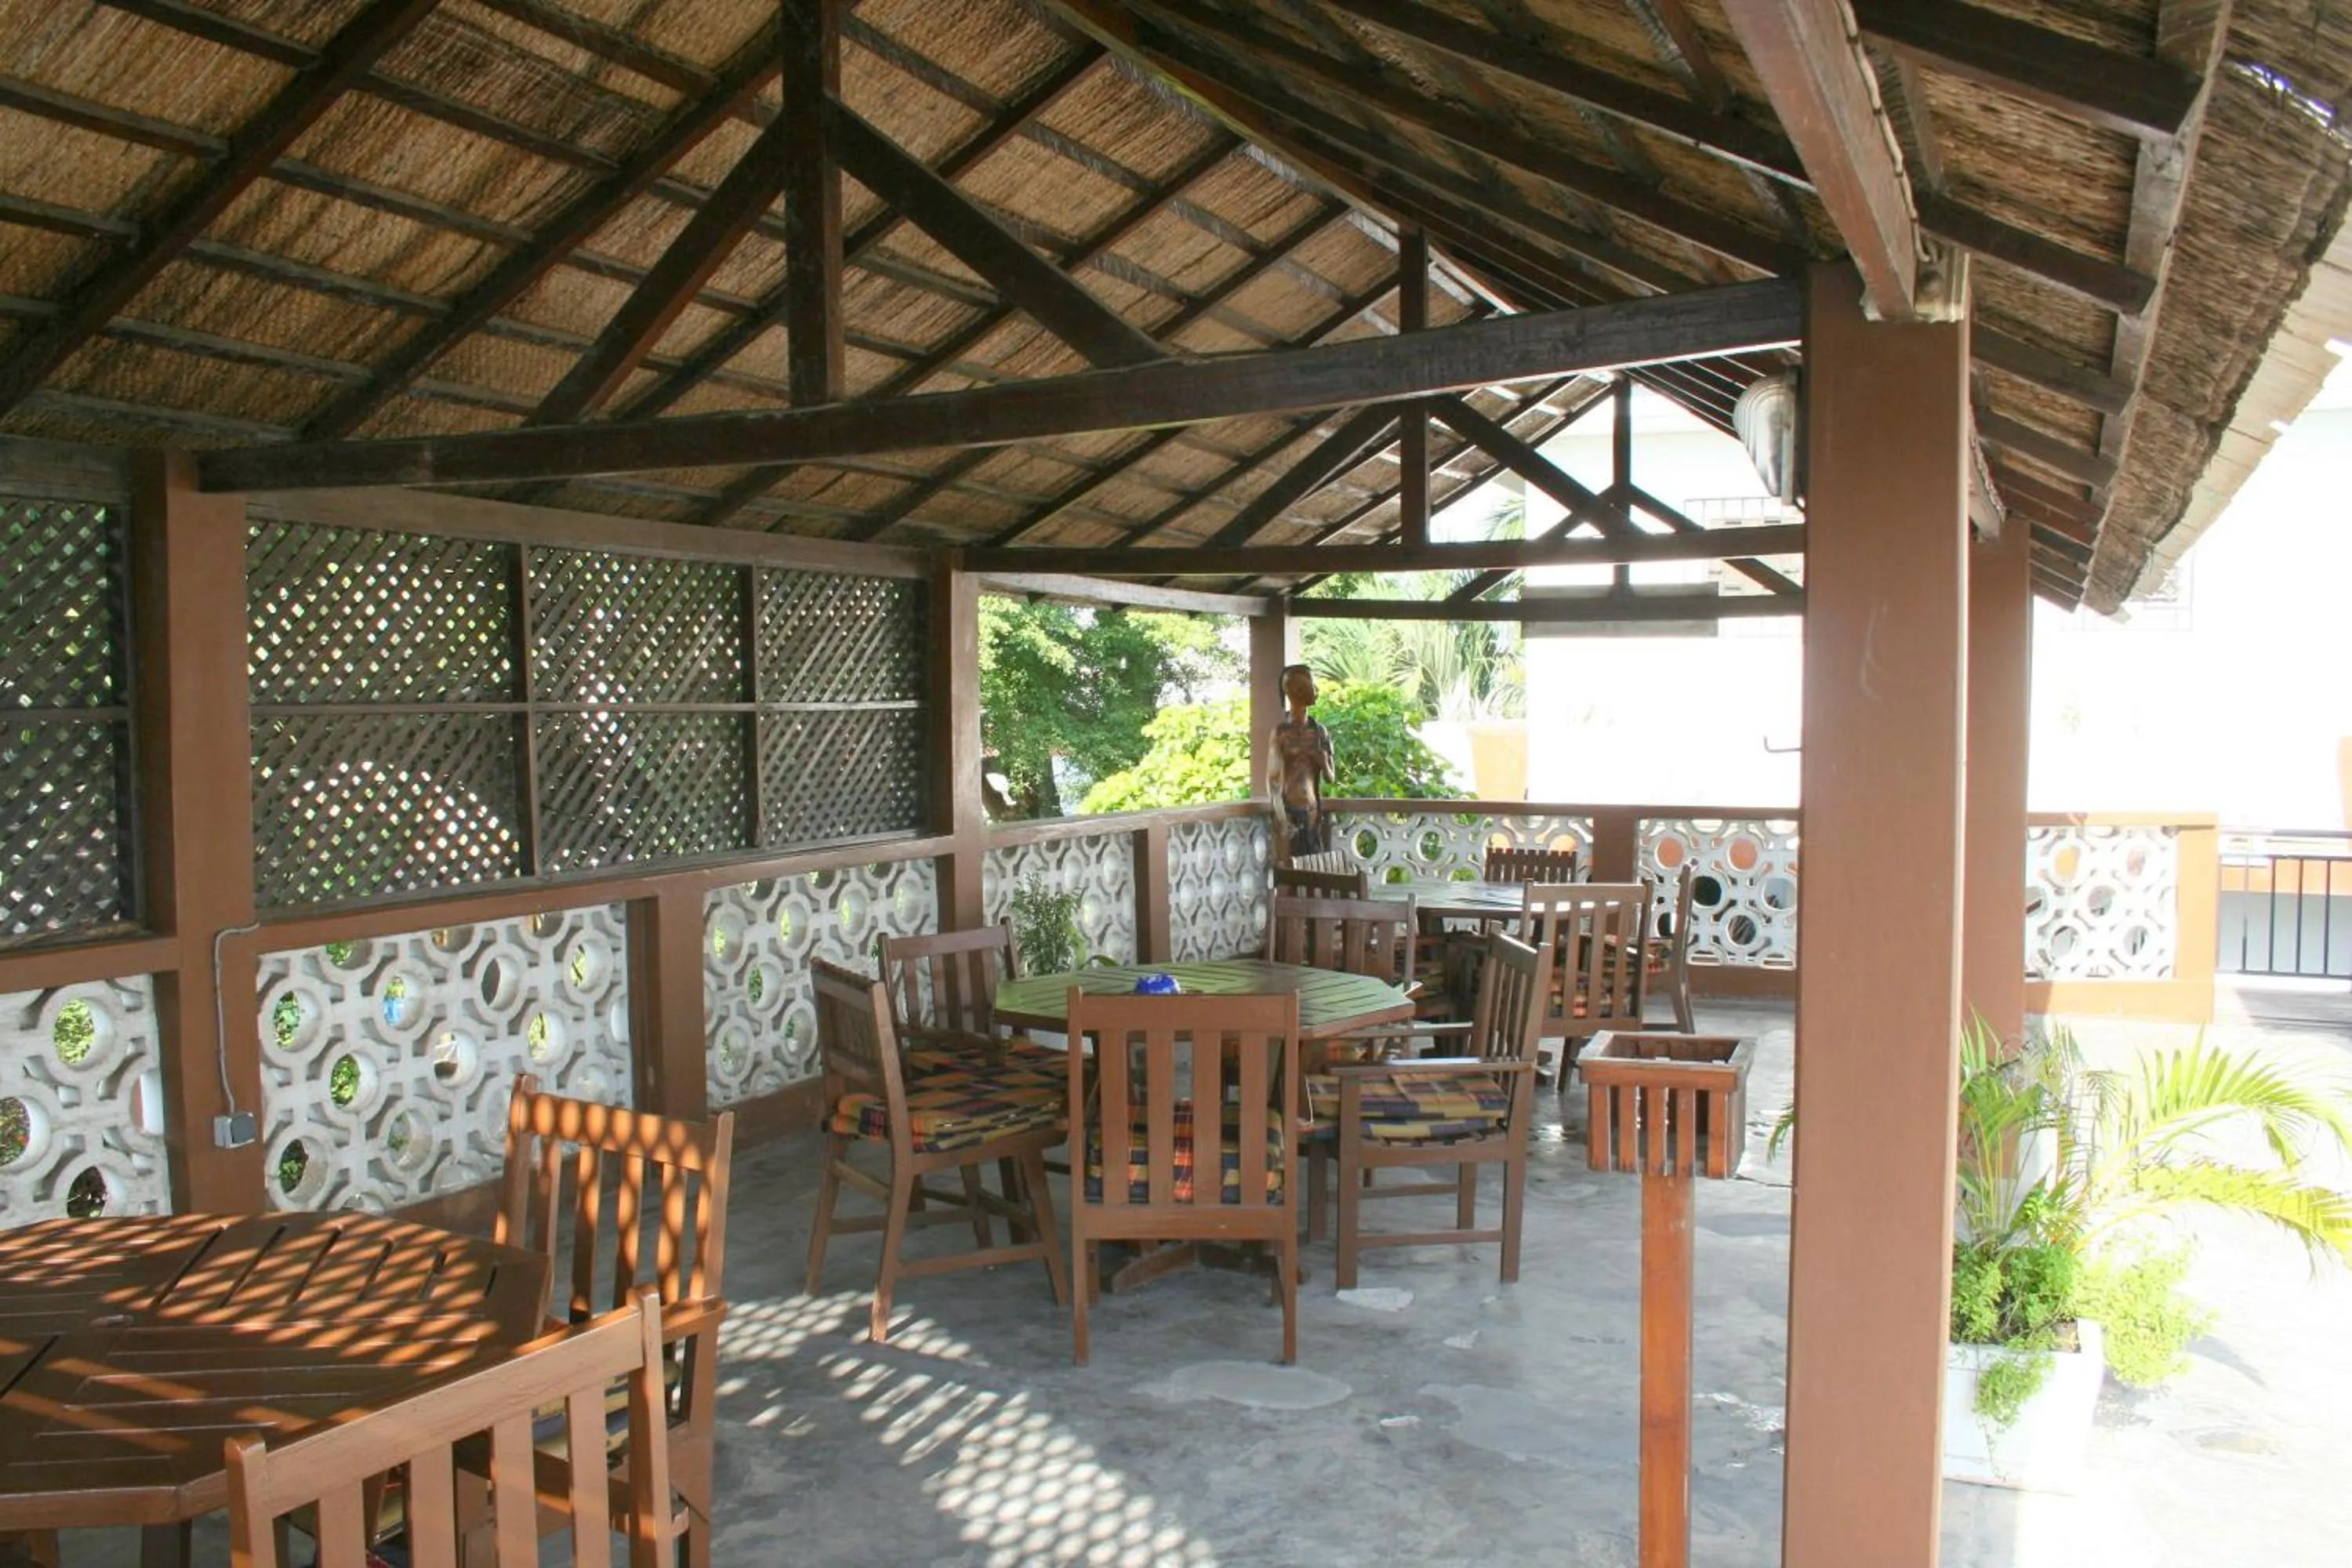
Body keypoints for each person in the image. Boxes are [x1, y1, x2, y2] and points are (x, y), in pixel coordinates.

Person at [1267, 662, 1335, 860]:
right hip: (1289, 812)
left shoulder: (1319, 731)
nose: (1317, 690)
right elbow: (1273, 781)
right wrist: (1281, 817)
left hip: (1313, 812)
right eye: (1311, 686)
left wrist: (1323, 762)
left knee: (1314, 867)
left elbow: (1331, 777)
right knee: (1290, 869)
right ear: (1295, 691)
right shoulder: (1280, 733)